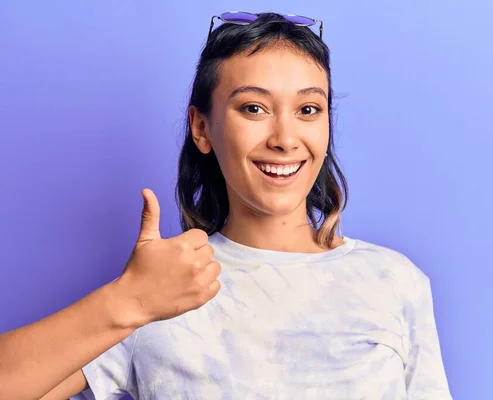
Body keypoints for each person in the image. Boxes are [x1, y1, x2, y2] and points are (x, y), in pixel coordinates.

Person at [0, 12, 452, 400]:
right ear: (201, 128)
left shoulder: (395, 281)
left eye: (309, 110)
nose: (285, 139)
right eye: (253, 108)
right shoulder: (165, 288)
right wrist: (126, 301)